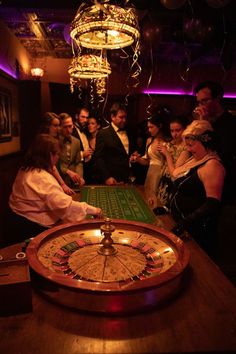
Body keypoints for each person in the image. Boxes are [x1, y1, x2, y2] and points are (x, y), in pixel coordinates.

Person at [8, 134, 102, 241]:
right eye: (57, 154)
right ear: (48, 155)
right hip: (30, 226)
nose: (58, 157)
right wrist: (94, 210)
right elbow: (65, 206)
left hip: (16, 219)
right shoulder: (41, 178)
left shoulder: (27, 168)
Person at [168, 120, 225, 256]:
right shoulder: (195, 158)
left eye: (191, 145)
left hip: (196, 232)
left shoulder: (212, 165)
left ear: (205, 142)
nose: (188, 149)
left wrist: (186, 222)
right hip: (181, 225)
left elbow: (212, 203)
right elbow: (184, 189)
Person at [193, 81, 236, 204]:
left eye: (205, 101)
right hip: (200, 181)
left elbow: (222, 153)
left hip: (223, 188)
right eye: (199, 102)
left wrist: (205, 125)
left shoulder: (231, 123)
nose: (201, 106)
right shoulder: (201, 121)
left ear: (217, 99)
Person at [130, 115, 169, 208]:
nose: (149, 130)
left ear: (159, 126)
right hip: (150, 172)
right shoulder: (149, 140)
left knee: (158, 201)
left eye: (151, 127)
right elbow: (148, 161)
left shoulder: (167, 142)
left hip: (161, 173)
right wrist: (137, 159)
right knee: (148, 200)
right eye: (148, 127)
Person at [93, 102, 136, 185]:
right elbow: (98, 158)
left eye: (125, 117)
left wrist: (134, 156)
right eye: (121, 117)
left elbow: (128, 153)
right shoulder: (103, 133)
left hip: (127, 178)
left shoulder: (129, 131)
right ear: (112, 117)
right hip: (111, 179)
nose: (124, 120)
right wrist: (107, 177)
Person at [156, 115, 188, 210]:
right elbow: (163, 165)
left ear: (185, 129)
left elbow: (175, 173)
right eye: (172, 131)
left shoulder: (187, 148)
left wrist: (167, 154)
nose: (174, 134)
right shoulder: (170, 143)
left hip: (174, 184)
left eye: (178, 130)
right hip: (164, 180)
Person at [40, 112, 75, 196]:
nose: (58, 129)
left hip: (51, 178)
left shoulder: (53, 139)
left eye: (59, 125)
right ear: (47, 126)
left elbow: (53, 166)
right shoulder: (43, 142)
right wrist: (62, 184)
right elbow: (50, 167)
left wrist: (62, 184)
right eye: (55, 126)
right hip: (42, 181)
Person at [57, 113, 85, 189]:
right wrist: (67, 171)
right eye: (65, 127)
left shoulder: (76, 141)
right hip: (58, 182)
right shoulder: (54, 141)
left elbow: (78, 162)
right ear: (59, 127)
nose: (69, 130)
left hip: (73, 183)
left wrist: (79, 177)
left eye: (70, 126)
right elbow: (54, 165)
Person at [72, 107, 93, 176]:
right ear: (76, 116)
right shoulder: (71, 131)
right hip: (75, 170)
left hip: (87, 169)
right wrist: (82, 154)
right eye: (83, 117)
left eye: (87, 118)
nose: (85, 120)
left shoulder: (86, 131)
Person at [84, 115, 101, 184]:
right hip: (89, 174)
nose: (89, 125)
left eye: (92, 123)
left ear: (98, 126)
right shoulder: (86, 139)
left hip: (100, 174)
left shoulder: (101, 139)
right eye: (88, 124)